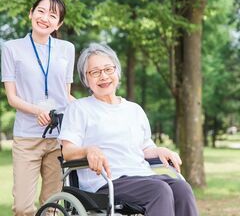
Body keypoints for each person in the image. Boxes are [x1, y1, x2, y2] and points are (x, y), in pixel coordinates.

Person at [58, 42, 199, 216]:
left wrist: (160, 150)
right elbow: (68, 151)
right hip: (106, 182)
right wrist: (88, 150)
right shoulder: (79, 108)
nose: (103, 76)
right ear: (86, 79)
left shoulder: (134, 109)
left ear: (117, 71)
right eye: (95, 72)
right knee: (159, 190)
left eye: (108, 69)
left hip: (142, 176)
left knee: (181, 188)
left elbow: (145, 148)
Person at [1, 0, 75, 216]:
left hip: (58, 137)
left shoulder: (67, 48)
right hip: (27, 137)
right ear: (31, 13)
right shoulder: (12, 48)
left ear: (59, 23)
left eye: (53, 15)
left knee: (51, 207)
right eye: (41, 11)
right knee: (23, 207)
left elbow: (66, 95)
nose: (45, 18)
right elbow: (12, 98)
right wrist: (38, 111)